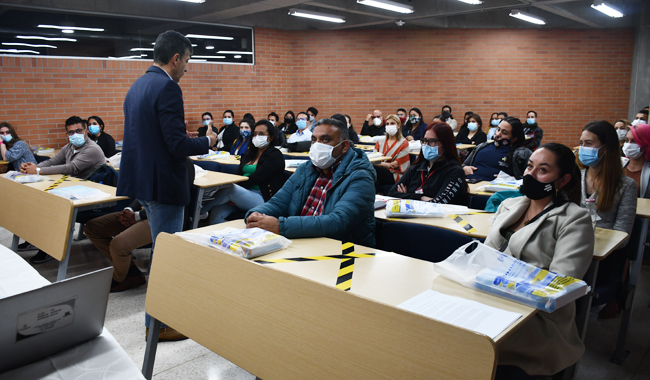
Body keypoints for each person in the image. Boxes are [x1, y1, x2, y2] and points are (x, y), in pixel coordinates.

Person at [117, 30, 216, 342]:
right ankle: (157, 324)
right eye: (187, 60)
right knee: (166, 255)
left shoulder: (137, 85)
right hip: (164, 185)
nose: (187, 67)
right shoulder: (168, 88)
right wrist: (207, 141)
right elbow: (176, 144)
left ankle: (159, 318)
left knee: (161, 250)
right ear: (176, 58)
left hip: (142, 182)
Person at [485, 143, 594, 378]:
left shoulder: (574, 219)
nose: (530, 175)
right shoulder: (509, 206)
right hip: (491, 298)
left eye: (542, 170)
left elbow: (559, 284)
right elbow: (484, 257)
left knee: (470, 341)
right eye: (529, 167)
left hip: (538, 317)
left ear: (562, 181)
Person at [245, 118, 376, 247]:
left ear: (344, 146)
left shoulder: (360, 176)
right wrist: (255, 215)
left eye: (325, 140)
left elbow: (337, 222)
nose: (317, 145)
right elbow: (278, 203)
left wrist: (280, 226)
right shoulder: (305, 169)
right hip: (300, 242)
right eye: (314, 140)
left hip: (342, 249)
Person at [578, 120, 636, 319]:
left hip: (602, 257)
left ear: (606, 148)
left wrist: (593, 243)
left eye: (589, 144)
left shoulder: (625, 186)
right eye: (581, 143)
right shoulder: (575, 178)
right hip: (572, 246)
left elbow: (623, 234)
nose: (582, 149)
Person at [202, 120, 285, 225]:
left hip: (263, 198)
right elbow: (238, 173)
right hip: (243, 193)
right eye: (255, 134)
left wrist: (236, 190)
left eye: (261, 134)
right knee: (218, 210)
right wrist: (237, 194)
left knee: (230, 188)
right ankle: (215, 238)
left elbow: (257, 177)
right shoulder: (250, 153)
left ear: (271, 137)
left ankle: (199, 211)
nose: (257, 136)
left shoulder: (275, 155)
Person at [388, 122, 467, 205]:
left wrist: (406, 196)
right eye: (424, 141)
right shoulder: (416, 167)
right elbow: (392, 193)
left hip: (440, 217)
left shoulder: (454, 171)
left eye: (432, 141)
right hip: (410, 215)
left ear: (445, 144)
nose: (427, 145)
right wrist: (420, 197)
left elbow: (439, 203)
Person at [20, 116, 105, 179]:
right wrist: (32, 167)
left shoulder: (92, 149)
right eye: (71, 132)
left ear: (86, 131)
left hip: (91, 188)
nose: (75, 134)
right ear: (67, 134)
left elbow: (71, 168)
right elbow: (53, 161)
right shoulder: (68, 147)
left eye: (79, 131)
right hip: (72, 183)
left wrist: (38, 170)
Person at [463, 117, 532, 181]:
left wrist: (513, 180)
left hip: (497, 191)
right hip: (470, 186)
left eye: (504, 132)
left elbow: (530, 178)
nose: (498, 134)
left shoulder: (522, 153)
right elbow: (463, 166)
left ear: (514, 138)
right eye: (498, 129)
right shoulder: (481, 146)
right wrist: (464, 169)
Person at [373, 114, 410, 189]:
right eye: (387, 124)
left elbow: (395, 165)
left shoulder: (404, 142)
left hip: (394, 174)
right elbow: (373, 159)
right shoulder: (380, 142)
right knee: (370, 170)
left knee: (373, 169)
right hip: (379, 171)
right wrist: (385, 164)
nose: (389, 126)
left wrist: (379, 164)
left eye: (392, 123)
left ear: (398, 125)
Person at [623, 121, 650, 197]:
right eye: (627, 140)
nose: (628, 144)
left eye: (634, 141)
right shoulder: (619, 165)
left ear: (646, 144)